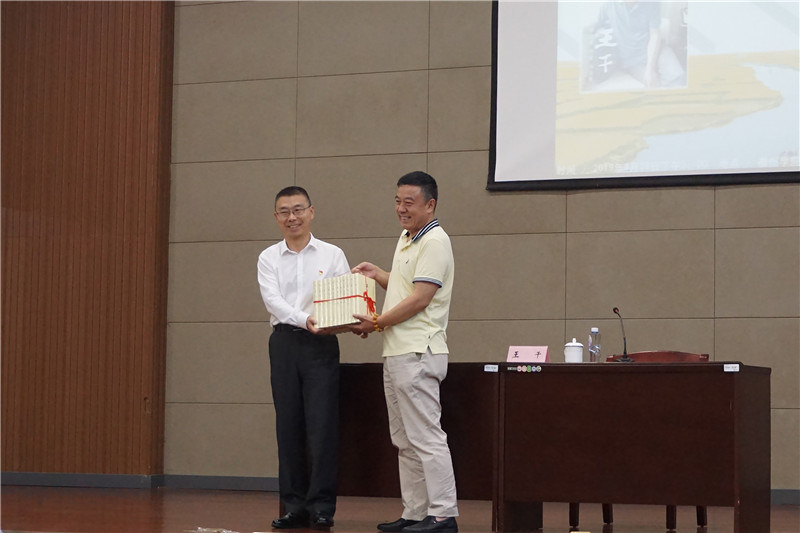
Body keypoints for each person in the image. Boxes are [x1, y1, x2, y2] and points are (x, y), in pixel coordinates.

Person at [350, 171, 459, 533]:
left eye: (409, 202)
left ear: (430, 204)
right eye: (397, 201)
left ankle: (443, 514)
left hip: (418, 351)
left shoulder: (435, 241)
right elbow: (405, 286)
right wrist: (379, 274)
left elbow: (420, 299)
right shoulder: (408, 237)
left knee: (426, 436)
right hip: (397, 352)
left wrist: (377, 322)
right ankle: (415, 512)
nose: (401, 209)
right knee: (405, 440)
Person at [257, 186, 350, 530]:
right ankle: (294, 505)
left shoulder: (332, 255)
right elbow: (273, 301)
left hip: (321, 344)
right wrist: (304, 318)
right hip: (284, 343)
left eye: (298, 209)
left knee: (322, 426)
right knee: (288, 425)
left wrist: (348, 321)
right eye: (284, 212)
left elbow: (344, 300)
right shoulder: (268, 257)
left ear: (312, 212)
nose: (291, 217)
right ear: (276, 217)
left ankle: (322, 506)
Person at [594, 0, 686, 88]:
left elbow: (654, 35)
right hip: (632, 59)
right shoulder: (608, 4)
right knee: (654, 84)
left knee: (678, 77)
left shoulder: (652, 2)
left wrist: (650, 69)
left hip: (658, 49)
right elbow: (598, 31)